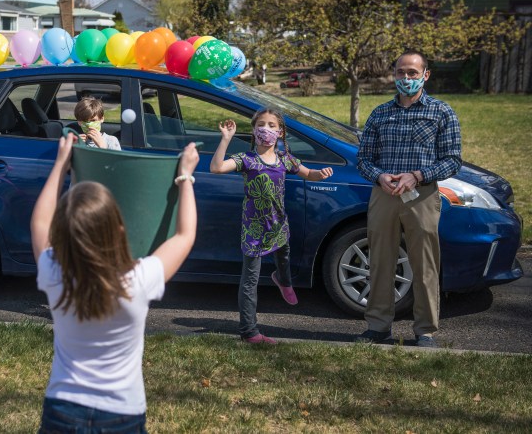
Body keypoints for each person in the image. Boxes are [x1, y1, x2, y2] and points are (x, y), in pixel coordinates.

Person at [31, 133, 198, 432]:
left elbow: (40, 223)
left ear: (63, 233)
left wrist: (60, 166)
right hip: (122, 413)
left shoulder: (53, 271)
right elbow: (184, 235)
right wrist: (185, 176)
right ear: (119, 229)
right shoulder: (139, 280)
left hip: (63, 408)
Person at [355, 50, 462, 348]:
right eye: (401, 72)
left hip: (422, 196)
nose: (406, 78)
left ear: (425, 75)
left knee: (425, 264)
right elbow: (363, 159)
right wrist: (379, 176)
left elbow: (453, 160)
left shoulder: (442, 112)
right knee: (380, 262)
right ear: (394, 75)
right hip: (384, 194)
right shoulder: (380, 113)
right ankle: (378, 326)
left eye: (413, 73)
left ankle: (425, 330)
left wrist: (417, 175)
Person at [210, 109, 333, 344]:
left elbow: (308, 173)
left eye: (271, 125)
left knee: (284, 255)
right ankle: (249, 331)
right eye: (261, 124)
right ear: (254, 130)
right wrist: (225, 139)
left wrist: (321, 173)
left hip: (278, 224)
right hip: (253, 230)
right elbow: (216, 168)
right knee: (250, 280)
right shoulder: (246, 160)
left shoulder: (285, 159)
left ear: (280, 132)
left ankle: (283, 280)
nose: (265, 129)